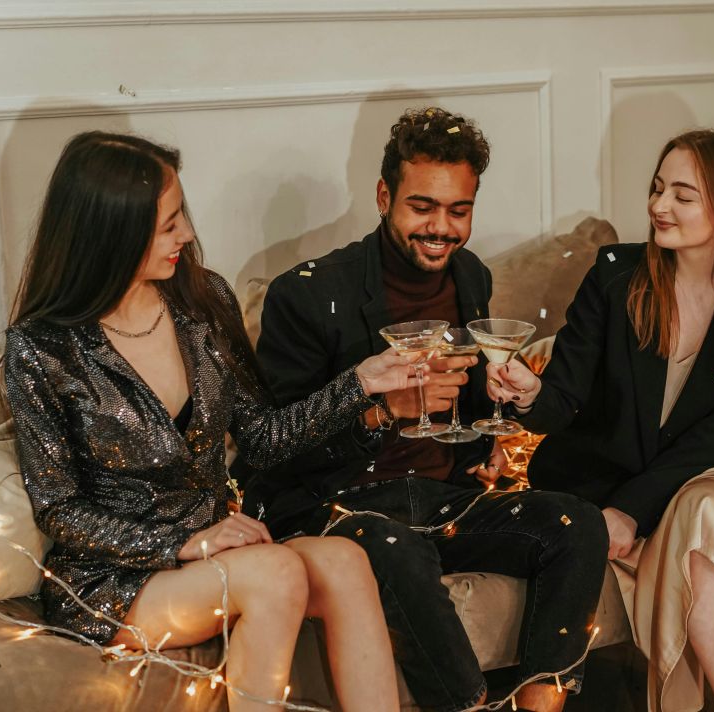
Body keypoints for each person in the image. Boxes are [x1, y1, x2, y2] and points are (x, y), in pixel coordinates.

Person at [3, 131, 411, 712]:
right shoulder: (41, 348)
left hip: (219, 551)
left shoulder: (202, 300)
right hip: (115, 579)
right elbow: (58, 507)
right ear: (113, 231)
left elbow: (264, 440)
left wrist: (362, 385)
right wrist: (184, 543)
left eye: (182, 217)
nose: (187, 235)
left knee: (345, 559)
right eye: (168, 225)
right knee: (272, 573)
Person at [235, 107, 608, 712]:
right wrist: (385, 413)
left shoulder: (470, 275)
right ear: (384, 196)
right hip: (339, 506)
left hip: (442, 501)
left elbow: (463, 403)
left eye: (458, 211)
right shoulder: (304, 295)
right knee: (393, 547)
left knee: (575, 524)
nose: (441, 228)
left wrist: (494, 416)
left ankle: (543, 704)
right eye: (422, 208)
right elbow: (280, 448)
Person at [486, 129, 714, 712]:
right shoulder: (616, 275)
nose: (657, 206)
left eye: (681, 195)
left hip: (712, 469)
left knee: (705, 504)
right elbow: (562, 398)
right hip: (604, 474)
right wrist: (529, 392)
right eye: (656, 188)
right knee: (704, 537)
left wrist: (630, 512)